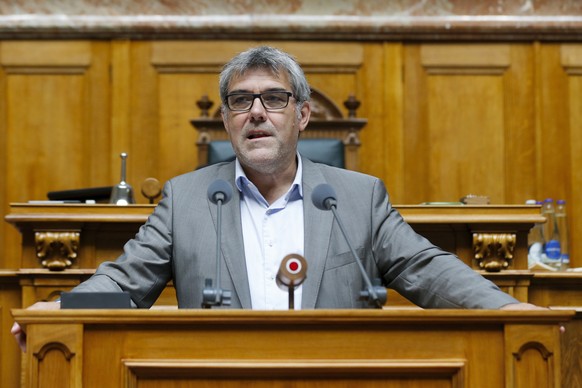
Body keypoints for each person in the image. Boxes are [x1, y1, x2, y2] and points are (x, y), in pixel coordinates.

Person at [12, 45, 540, 352]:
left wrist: (515, 311)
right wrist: (59, 307)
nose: (257, 112)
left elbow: (428, 271)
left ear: (303, 115)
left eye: (274, 99)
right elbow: (125, 283)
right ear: (226, 119)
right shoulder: (187, 198)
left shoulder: (355, 197)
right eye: (241, 101)